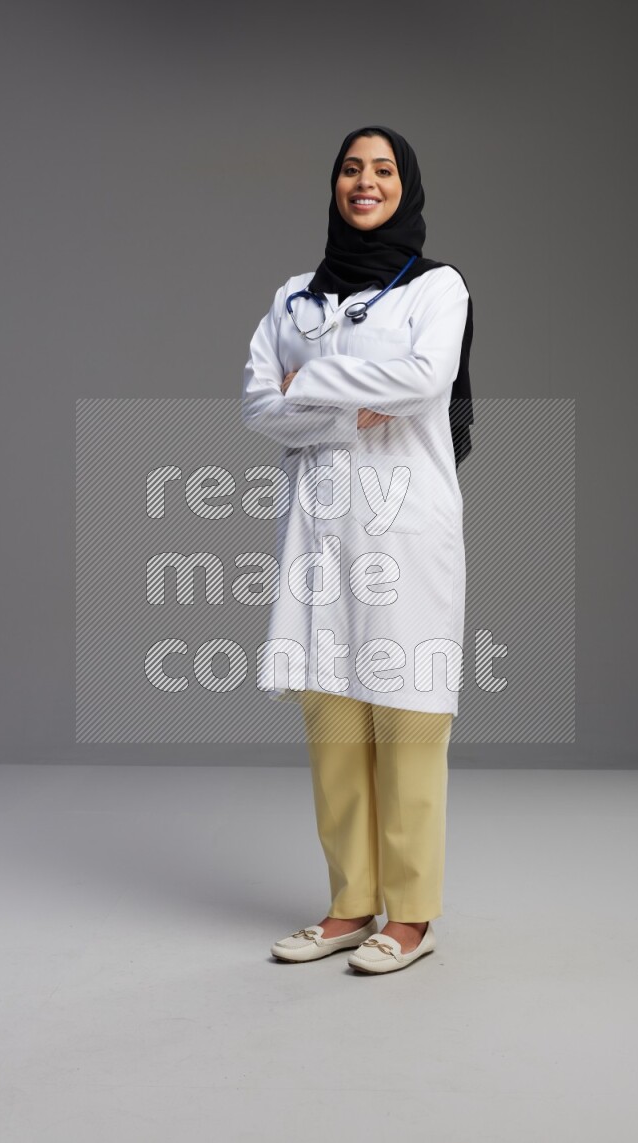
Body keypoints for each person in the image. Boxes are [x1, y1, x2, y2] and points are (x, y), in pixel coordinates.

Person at [241, 125, 473, 974]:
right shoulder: (294, 299)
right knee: (332, 720)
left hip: (405, 530)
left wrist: (309, 386)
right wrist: (347, 412)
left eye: (381, 170)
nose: (364, 182)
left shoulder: (438, 288)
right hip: (319, 534)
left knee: (408, 720)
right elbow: (258, 406)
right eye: (350, 168)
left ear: (405, 185)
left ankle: (411, 916)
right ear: (334, 185)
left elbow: (424, 380)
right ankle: (349, 904)